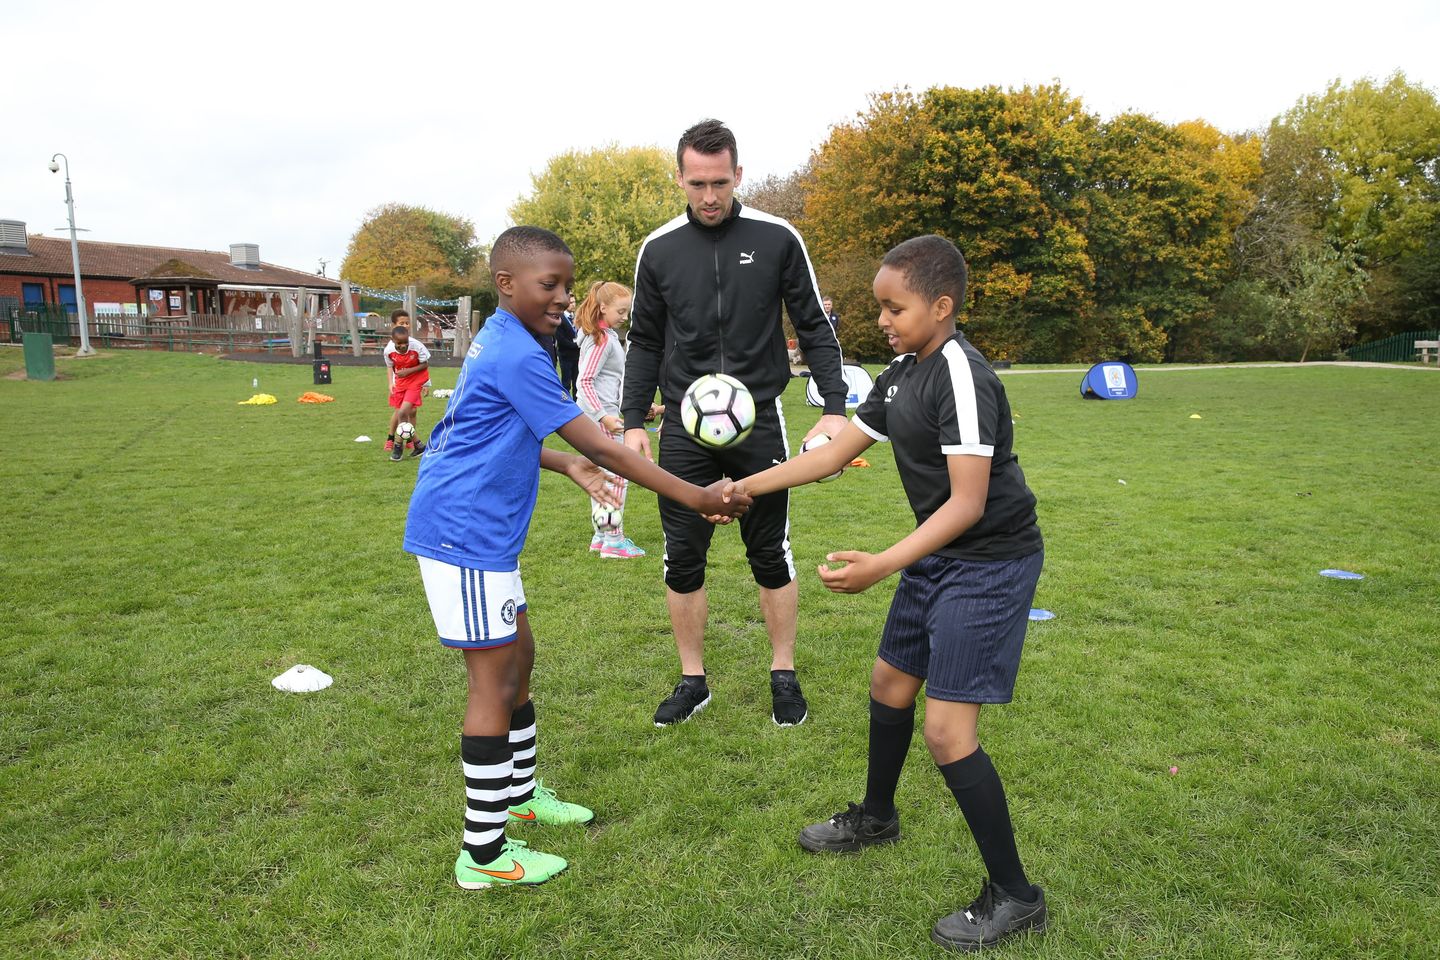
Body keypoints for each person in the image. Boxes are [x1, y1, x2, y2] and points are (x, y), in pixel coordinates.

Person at [722, 235, 1048, 950]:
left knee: (946, 731)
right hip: (941, 554)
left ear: (941, 305)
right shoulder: (904, 371)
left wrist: (881, 567)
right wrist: (743, 486)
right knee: (889, 684)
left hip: (989, 562)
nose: (884, 321)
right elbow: (836, 453)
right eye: (879, 307)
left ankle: (1018, 896)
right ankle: (876, 816)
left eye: (895, 308)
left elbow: (966, 503)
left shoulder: (962, 375)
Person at [403, 226, 750, 890]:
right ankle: (483, 857)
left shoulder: (511, 341)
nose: (564, 296)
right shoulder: (516, 352)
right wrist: (696, 495)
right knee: (492, 684)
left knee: (520, 659)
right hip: (463, 533)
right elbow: (615, 448)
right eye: (549, 285)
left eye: (567, 284)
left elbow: (477, 431)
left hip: (482, 534)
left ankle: (522, 795)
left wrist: (563, 462)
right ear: (505, 285)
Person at [622, 118, 848, 729]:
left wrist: (833, 408)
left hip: (760, 426)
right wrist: (631, 419)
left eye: (720, 182)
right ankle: (693, 681)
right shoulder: (659, 249)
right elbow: (643, 341)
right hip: (682, 429)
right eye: (697, 184)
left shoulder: (778, 238)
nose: (709, 196)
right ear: (680, 179)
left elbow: (814, 328)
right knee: (682, 557)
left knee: (770, 553)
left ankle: (783, 674)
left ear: (739, 174)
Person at [574, 280, 646, 559]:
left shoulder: (606, 337)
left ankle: (601, 535)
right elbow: (585, 381)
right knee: (617, 477)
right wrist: (604, 415)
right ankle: (614, 541)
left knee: (603, 476)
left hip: (604, 415)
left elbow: (610, 380)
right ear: (603, 307)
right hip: (601, 419)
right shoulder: (601, 340)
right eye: (621, 311)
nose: (624, 317)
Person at [383, 314, 429, 462]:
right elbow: (390, 367)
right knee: (401, 412)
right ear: (392, 341)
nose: (403, 346)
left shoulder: (416, 346)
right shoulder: (388, 351)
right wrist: (391, 383)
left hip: (415, 381)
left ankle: (398, 444)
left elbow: (425, 364)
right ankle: (418, 444)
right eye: (399, 344)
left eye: (405, 343)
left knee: (404, 412)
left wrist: (425, 383)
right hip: (401, 384)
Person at [556, 293, 581, 398]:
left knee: (577, 382)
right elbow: (561, 340)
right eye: (571, 302)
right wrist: (577, 344)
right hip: (566, 355)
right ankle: (565, 404)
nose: (573, 304)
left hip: (577, 356)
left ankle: (577, 404)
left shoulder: (577, 317)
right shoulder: (560, 318)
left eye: (574, 302)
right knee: (566, 383)